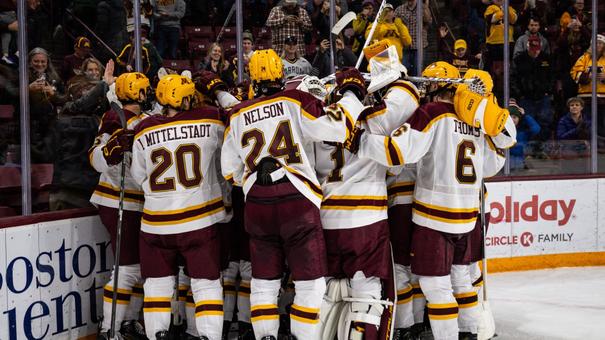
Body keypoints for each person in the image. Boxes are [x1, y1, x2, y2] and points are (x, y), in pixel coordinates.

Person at [345, 62, 516, 340]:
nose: (424, 90)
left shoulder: (432, 113)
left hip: (434, 218)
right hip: (468, 215)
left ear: (437, 86)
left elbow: (398, 153)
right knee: (462, 279)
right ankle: (469, 333)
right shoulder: (475, 120)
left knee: (434, 285)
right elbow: (492, 164)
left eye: (428, 84)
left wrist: (361, 141)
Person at [220, 49, 367, 340]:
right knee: (310, 283)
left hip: (257, 205)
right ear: (280, 74)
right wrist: (351, 94)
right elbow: (337, 128)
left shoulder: (237, 114)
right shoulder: (295, 99)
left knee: (263, 281)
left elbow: (230, 172)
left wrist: (256, 179)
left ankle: (265, 336)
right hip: (297, 201)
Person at [315, 66, 420, 339]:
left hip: (325, 220)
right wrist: (391, 76)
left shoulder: (315, 123)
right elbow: (409, 95)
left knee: (328, 293)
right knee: (368, 294)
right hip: (365, 222)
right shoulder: (373, 120)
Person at [130, 74, 226, 340]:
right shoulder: (208, 118)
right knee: (206, 286)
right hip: (198, 221)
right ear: (182, 98)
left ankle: (158, 335)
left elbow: (139, 177)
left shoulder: (144, 128)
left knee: (156, 288)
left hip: (155, 223)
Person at [89, 72, 152, 339]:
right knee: (126, 268)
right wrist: (110, 150)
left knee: (138, 268)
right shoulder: (114, 118)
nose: (148, 94)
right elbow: (95, 159)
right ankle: (109, 330)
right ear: (138, 94)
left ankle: (126, 322)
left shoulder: (147, 120)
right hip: (117, 200)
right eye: (145, 91)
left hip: (139, 203)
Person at [512, 34, 553, 140]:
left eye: (537, 49)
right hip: (526, 97)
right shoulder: (519, 59)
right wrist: (519, 94)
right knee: (527, 122)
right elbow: (513, 78)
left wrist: (549, 90)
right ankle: (528, 148)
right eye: (532, 49)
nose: (535, 52)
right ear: (527, 46)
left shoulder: (547, 58)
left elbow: (553, 76)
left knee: (545, 122)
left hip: (543, 97)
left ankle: (543, 148)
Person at [570, 34, 605, 149]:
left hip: (603, 98)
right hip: (586, 97)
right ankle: (587, 145)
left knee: (602, 123)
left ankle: (601, 146)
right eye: (596, 43)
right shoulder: (584, 58)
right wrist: (588, 75)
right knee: (586, 123)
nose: (598, 45)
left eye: (600, 43)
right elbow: (574, 73)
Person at [395, 0, 432, 76]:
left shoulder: (423, 8)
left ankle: (416, 87)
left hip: (420, 46)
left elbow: (428, 21)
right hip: (405, 46)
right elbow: (393, 25)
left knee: (418, 71)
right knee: (403, 70)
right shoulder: (399, 9)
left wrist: (425, 6)